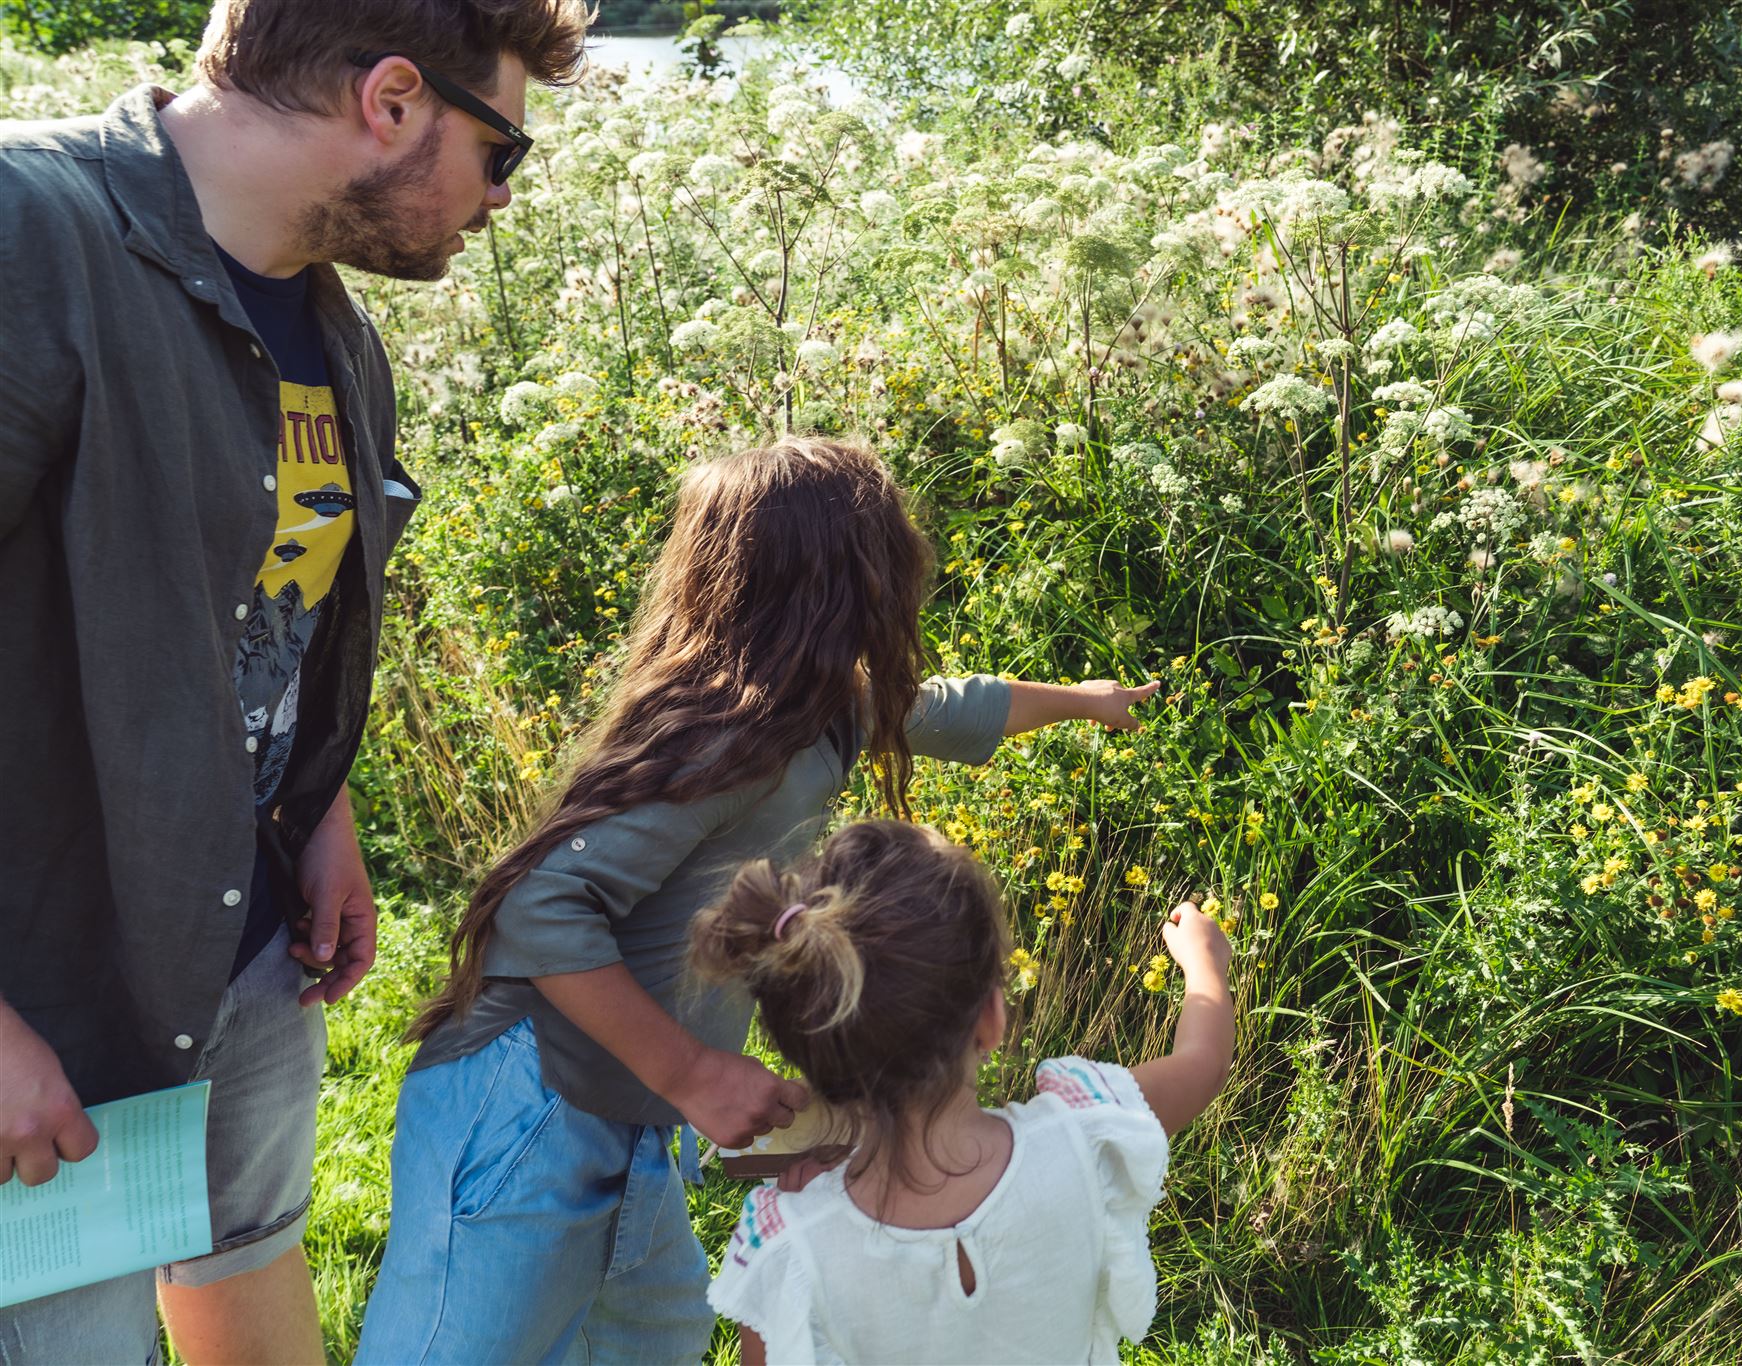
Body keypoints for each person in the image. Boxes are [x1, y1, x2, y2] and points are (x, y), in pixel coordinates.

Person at [0, 2, 590, 1360]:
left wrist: (314, 807)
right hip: (52, 996)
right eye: (502, 154)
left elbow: (257, 610)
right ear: (392, 100)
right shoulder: (33, 234)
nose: (499, 201)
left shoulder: (334, 333)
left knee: (245, 1258)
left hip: (246, 941)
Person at [354, 437, 1162, 1363]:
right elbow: (538, 908)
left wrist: (1085, 700)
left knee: (651, 1340)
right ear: (842, 585)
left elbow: (945, 707)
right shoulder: (726, 740)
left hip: (626, 1112)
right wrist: (695, 1073)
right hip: (527, 1103)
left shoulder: (813, 708)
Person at [694, 820, 1236, 1365]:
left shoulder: (786, 1247)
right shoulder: (1084, 1135)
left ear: (810, 1055)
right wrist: (1205, 964)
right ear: (991, 1020)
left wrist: (811, 1214)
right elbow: (1204, 1065)